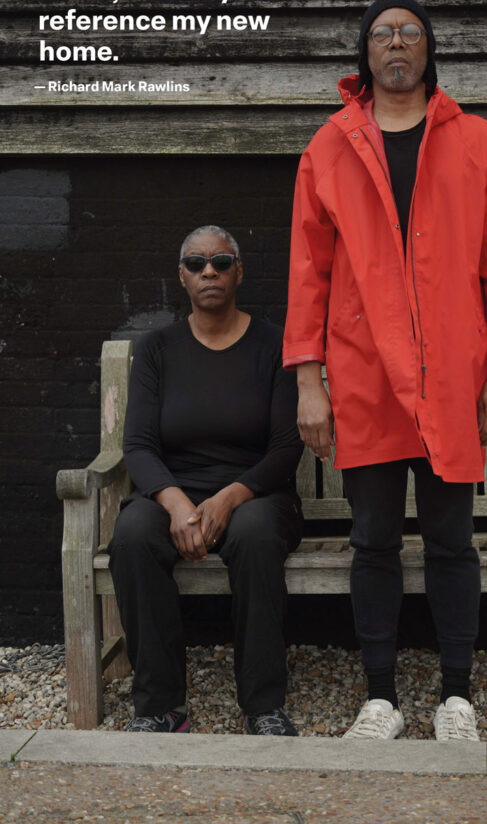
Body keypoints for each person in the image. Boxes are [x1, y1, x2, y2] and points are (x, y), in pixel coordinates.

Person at [283, 0, 487, 741]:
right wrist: (309, 380)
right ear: (364, 54)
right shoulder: (328, 147)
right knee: (373, 540)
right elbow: (308, 273)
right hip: (363, 375)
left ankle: (456, 695)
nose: (396, 45)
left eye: (411, 34)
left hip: (453, 375)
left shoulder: (477, 141)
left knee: (452, 538)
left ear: (430, 52)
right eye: (383, 35)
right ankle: (381, 698)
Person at [108, 225, 304, 735]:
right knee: (131, 537)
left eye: (220, 261)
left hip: (256, 493)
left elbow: (286, 447)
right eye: (196, 264)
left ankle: (263, 706)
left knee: (257, 535)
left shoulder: (274, 348)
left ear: (239, 270)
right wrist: (175, 504)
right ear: (182, 276)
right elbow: (139, 446)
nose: (208, 271)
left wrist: (230, 497)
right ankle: (160, 706)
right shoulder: (157, 350)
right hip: (175, 488)